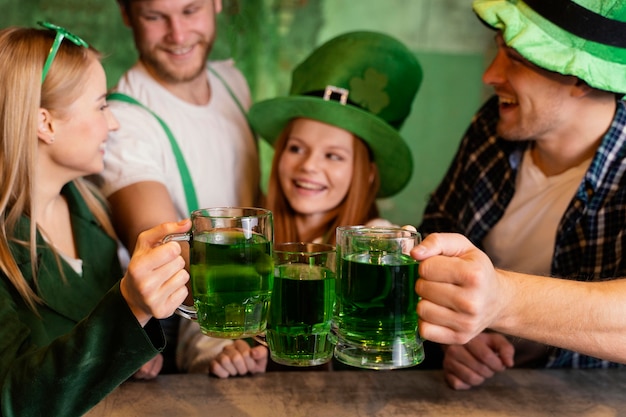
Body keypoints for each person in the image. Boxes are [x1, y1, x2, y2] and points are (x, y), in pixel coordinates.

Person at [176, 30, 423, 378]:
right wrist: (222, 351)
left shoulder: (373, 252)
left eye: (333, 156)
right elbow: (196, 332)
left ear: (367, 173)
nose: (309, 166)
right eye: (296, 148)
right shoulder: (248, 239)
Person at [419, 0, 626, 390]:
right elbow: (435, 234)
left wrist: (499, 302)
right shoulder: (491, 128)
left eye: (514, 57)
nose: (490, 75)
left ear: (580, 78)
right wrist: (454, 331)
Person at [0, 23, 190, 416]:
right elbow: (13, 401)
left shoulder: (93, 212)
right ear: (45, 124)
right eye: (102, 106)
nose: (114, 123)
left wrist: (130, 352)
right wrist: (130, 311)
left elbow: (96, 350)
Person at [99, 0, 260, 377]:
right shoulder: (124, 121)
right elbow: (167, 262)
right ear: (127, 14)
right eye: (156, 17)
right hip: (175, 336)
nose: (179, 34)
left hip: (246, 318)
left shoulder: (231, 83)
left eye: (191, 11)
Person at [411, 232, 626, 366]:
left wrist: (499, 301)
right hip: (473, 387)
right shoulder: (477, 158)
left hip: (586, 395)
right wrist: (452, 325)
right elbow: (433, 264)